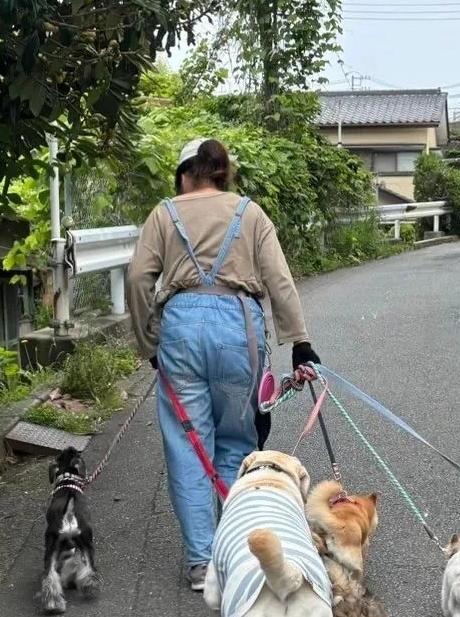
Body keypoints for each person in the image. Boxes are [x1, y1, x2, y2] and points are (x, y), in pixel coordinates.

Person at [126, 137, 322, 591]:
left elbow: (138, 278)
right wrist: (299, 342)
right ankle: (239, 554)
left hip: (181, 332)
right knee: (237, 439)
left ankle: (200, 562)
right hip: (239, 331)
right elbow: (279, 280)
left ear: (185, 172)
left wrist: (149, 341)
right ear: (221, 171)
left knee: (188, 442)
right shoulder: (249, 213)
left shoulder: (165, 213)